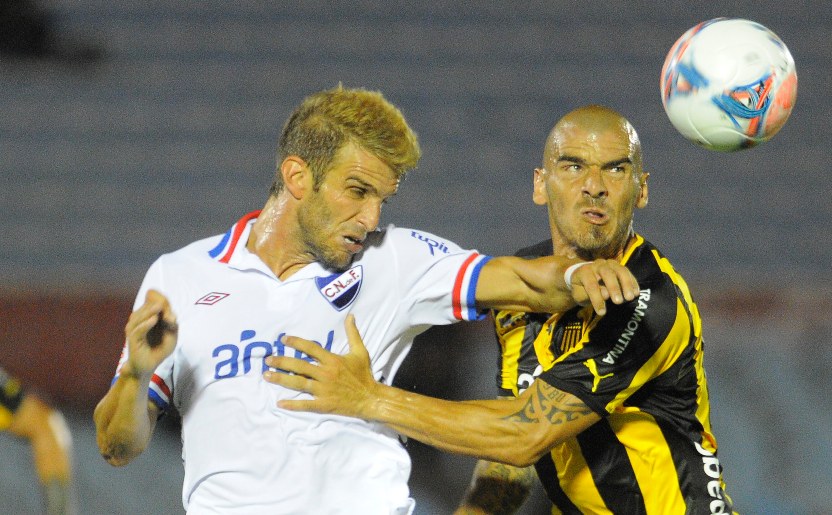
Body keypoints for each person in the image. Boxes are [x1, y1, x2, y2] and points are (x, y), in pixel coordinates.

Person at [93, 87, 640, 514]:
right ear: (296, 175)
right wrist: (136, 374)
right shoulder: (180, 276)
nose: (372, 218)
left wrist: (578, 275)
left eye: (383, 198)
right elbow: (117, 447)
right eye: (358, 191)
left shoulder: (391, 260)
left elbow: (522, 279)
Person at [264, 105, 736, 514]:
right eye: (573, 166)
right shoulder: (522, 288)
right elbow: (513, 451)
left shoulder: (649, 302)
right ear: (540, 184)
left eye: (615, 169)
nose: (594, 186)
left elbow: (524, 434)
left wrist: (370, 398)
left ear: (642, 189)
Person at [1, 365, 75, 515]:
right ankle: (56, 494)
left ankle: (57, 492)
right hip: (18, 411)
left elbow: (9, 387)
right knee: (47, 427)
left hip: (20, 407)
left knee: (50, 428)